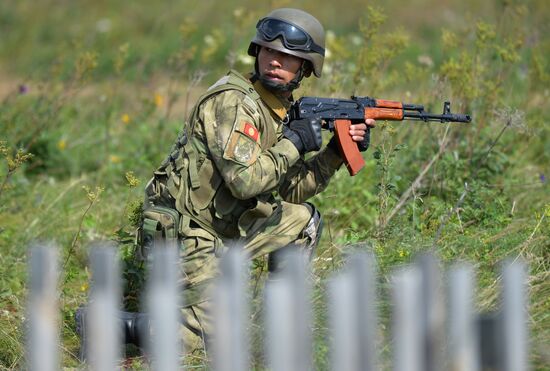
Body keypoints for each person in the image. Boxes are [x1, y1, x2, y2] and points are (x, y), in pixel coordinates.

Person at [77, 7, 374, 357]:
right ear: (257, 52)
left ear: (306, 67)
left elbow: (289, 188)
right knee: (209, 342)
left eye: (287, 57)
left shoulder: (275, 108)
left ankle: (277, 323)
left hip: (223, 226)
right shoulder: (234, 103)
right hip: (186, 235)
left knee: (301, 221)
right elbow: (246, 182)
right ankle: (110, 324)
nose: (274, 61)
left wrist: (336, 153)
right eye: (268, 52)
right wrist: (294, 143)